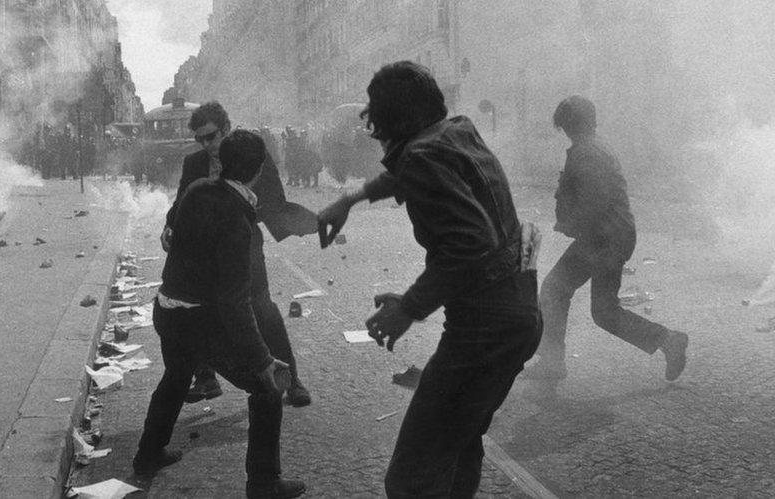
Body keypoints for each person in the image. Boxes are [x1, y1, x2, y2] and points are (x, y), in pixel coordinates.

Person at [317, 61, 542, 498]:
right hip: (517, 314)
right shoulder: (455, 132)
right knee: (459, 446)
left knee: (411, 479)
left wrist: (408, 308)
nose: (375, 130)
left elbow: (471, 243)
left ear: (391, 119)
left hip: (483, 331)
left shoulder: (422, 155)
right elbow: (407, 169)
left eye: (376, 117)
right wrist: (352, 197)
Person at [135, 130, 306, 499]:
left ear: (220, 161)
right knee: (266, 389)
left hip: (167, 307)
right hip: (198, 318)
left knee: (176, 378)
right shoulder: (237, 220)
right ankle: (264, 482)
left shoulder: (197, 189)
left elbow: (175, 235)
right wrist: (263, 360)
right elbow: (234, 302)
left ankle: (147, 456)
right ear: (258, 170)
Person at [524, 96, 689, 381]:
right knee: (595, 307)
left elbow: (594, 202)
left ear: (571, 126)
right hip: (607, 237)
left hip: (603, 239)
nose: (565, 132)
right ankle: (668, 340)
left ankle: (553, 362)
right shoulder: (592, 149)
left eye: (566, 126)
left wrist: (570, 221)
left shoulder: (588, 153)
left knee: (561, 292)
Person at [160, 102, 313, 408]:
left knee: (262, 309)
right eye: (200, 139)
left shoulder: (253, 155)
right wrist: (169, 226)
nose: (207, 145)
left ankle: (291, 379)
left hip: (243, 246)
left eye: (211, 136)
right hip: (205, 253)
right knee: (199, 309)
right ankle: (205, 378)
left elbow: (274, 203)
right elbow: (180, 203)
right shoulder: (194, 163)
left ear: (226, 129)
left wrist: (314, 223)